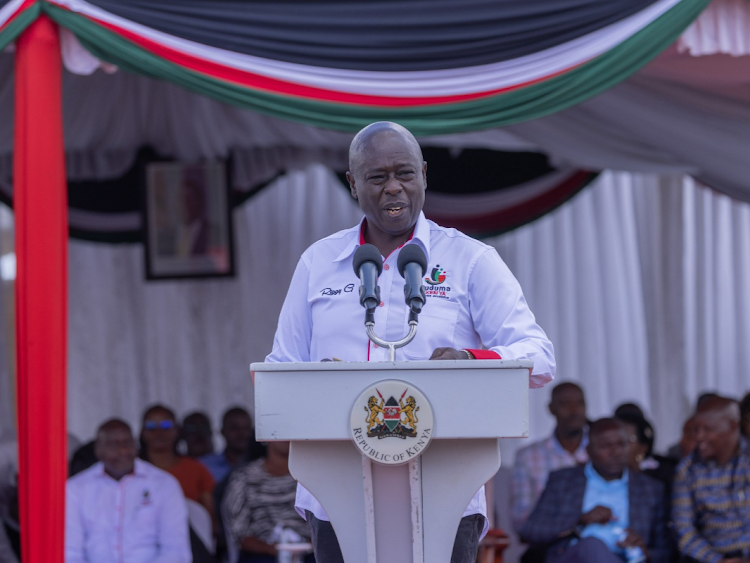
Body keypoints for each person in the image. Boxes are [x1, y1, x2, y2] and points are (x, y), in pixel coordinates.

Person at [266, 121, 556, 563]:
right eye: (377, 177)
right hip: (336, 491)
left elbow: (538, 357)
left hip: (447, 487)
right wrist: (316, 382)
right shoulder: (318, 263)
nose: (393, 189)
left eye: (404, 173)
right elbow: (280, 373)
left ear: (424, 173)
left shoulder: (470, 259)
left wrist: (470, 359)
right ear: (352, 183)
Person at [520, 418, 670, 563]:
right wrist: (579, 520)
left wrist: (645, 551)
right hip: (573, 557)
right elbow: (530, 530)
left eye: (621, 444)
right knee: (591, 546)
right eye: (606, 446)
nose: (615, 452)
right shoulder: (563, 481)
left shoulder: (650, 489)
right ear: (589, 450)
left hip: (626, 558)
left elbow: (667, 551)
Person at [65, 419, 191, 563]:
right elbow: (71, 553)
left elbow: (176, 551)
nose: (123, 449)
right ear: (98, 451)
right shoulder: (76, 488)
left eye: (127, 442)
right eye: (114, 444)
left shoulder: (164, 484)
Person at [673, 396, 750, 563]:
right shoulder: (688, 470)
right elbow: (683, 530)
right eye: (696, 430)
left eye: (708, 429)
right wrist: (718, 561)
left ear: (732, 426)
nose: (699, 437)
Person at [512, 382, 589, 536]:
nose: (574, 410)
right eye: (565, 404)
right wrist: (572, 524)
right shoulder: (528, 457)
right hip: (548, 544)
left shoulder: (603, 450)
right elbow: (521, 521)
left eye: (579, 403)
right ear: (551, 409)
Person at [224, 441, 313, 563]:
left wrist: (308, 547)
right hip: (262, 554)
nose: (286, 438)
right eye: (280, 431)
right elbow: (239, 533)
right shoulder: (244, 477)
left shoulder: (312, 476)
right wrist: (275, 549)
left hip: (309, 553)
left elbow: (325, 524)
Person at [140, 404, 215, 517]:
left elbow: (210, 517)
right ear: (142, 432)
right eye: (151, 426)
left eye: (166, 425)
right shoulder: (132, 470)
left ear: (177, 430)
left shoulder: (196, 469)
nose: (159, 432)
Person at [200, 407, 254, 483]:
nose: (242, 434)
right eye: (235, 428)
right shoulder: (204, 466)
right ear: (222, 431)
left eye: (246, 428)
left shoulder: (264, 466)